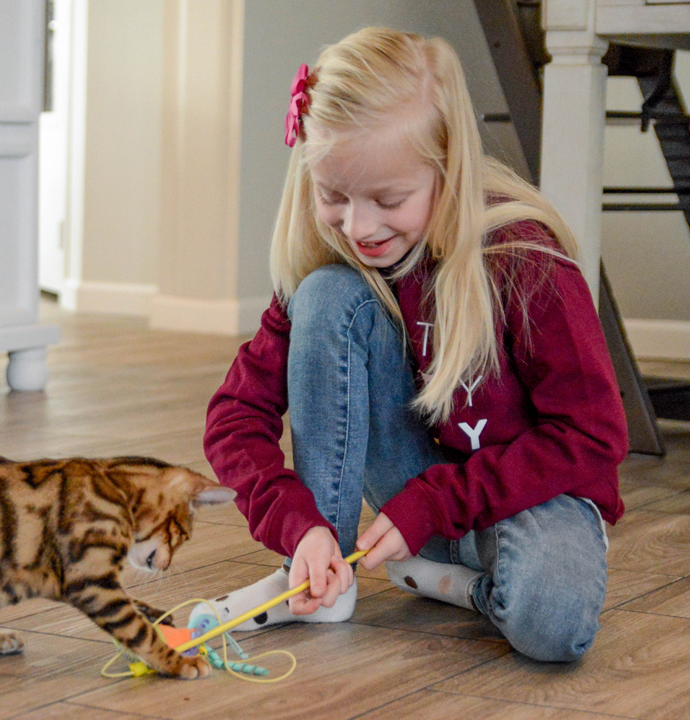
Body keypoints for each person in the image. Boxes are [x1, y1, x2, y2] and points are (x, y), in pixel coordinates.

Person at [195, 27, 628, 662]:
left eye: (389, 199)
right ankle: (325, 573)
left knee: (552, 623)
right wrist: (300, 523)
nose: (359, 226)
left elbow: (592, 435)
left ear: (448, 168)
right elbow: (235, 415)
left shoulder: (526, 260)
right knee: (324, 292)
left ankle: (460, 585)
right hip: (412, 494)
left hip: (526, 496)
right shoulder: (335, 261)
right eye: (333, 197)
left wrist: (435, 504)